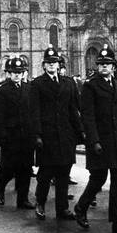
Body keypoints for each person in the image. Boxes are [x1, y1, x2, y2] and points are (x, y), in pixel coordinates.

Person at [75, 45, 117, 233]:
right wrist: (94, 141)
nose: (104, 67)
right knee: (98, 178)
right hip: (101, 141)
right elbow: (88, 116)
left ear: (114, 66)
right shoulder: (91, 86)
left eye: (108, 64)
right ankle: (81, 207)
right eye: (101, 64)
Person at [29, 47, 84, 220]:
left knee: (63, 173)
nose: (52, 65)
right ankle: (41, 203)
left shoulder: (69, 83)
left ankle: (62, 208)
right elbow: (34, 111)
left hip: (65, 135)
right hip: (47, 136)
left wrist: (80, 131)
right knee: (45, 173)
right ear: (44, 65)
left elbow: (74, 109)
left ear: (59, 64)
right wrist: (37, 135)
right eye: (48, 63)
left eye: (55, 62)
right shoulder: (37, 84)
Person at [0, 56, 34, 208]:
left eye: (20, 72)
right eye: (13, 72)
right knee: (8, 168)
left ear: (24, 73)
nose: (17, 75)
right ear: (8, 74)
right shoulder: (2, 89)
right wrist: (1, 135)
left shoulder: (29, 89)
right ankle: (0, 188)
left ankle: (23, 199)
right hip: (10, 137)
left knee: (26, 168)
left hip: (26, 136)